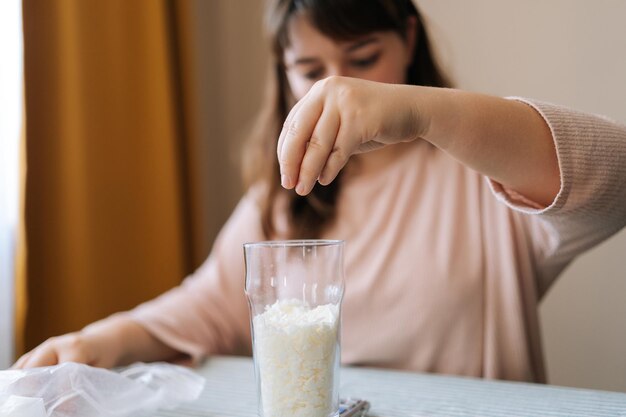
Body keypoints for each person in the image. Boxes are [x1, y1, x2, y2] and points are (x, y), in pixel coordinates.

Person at [13, 0, 626, 382]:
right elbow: (208, 304)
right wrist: (99, 340)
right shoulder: (281, 200)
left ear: (408, 42)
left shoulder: (481, 176)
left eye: (364, 57)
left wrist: (419, 113)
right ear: (282, 70)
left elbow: (615, 177)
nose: (339, 89)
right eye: (310, 70)